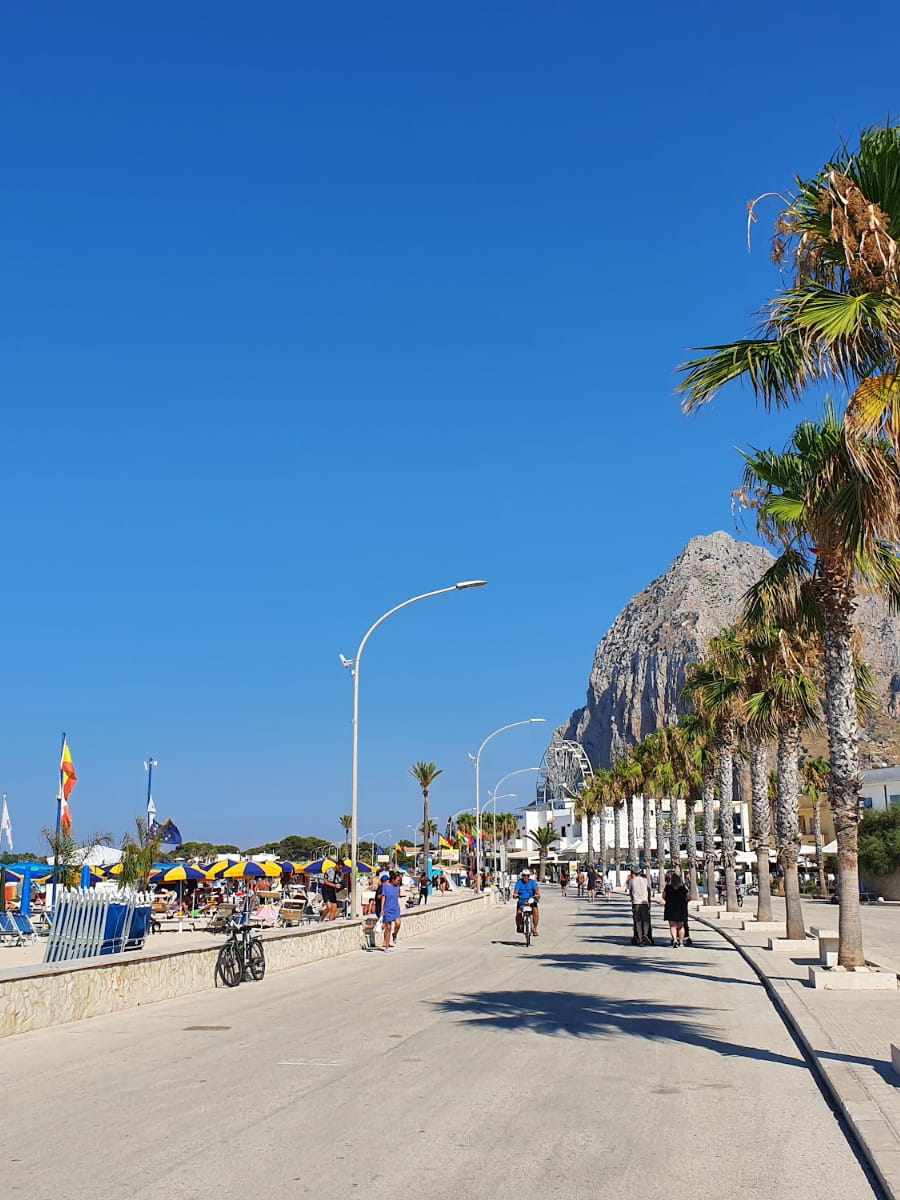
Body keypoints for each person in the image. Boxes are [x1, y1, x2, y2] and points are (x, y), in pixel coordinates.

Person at [627, 865, 652, 945]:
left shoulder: (632, 881)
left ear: (633, 872)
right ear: (640, 872)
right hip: (644, 902)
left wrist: (632, 899)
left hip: (636, 902)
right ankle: (645, 933)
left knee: (638, 922)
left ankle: (640, 939)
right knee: (646, 921)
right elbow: (649, 890)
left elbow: (630, 892)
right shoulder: (645, 880)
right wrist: (648, 899)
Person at [663, 871, 689, 947]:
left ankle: (674, 939)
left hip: (671, 908)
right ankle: (681, 942)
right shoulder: (683, 887)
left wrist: (668, 900)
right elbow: (689, 897)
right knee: (681, 926)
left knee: (672, 926)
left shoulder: (668, 887)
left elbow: (663, 896)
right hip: (681, 908)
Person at [514, 868, 540, 937]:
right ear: (522, 876)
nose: (526, 877)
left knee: (535, 912)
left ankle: (534, 929)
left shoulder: (533, 882)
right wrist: (515, 895)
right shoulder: (519, 883)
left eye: (527, 875)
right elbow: (515, 892)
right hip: (522, 901)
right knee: (519, 913)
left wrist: (537, 896)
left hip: (531, 900)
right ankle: (520, 925)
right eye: (524, 875)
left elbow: (536, 891)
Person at [380, 870, 403, 949]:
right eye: (397, 880)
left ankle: (395, 934)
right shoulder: (385, 886)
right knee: (388, 928)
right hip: (387, 908)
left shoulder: (397, 887)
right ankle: (386, 945)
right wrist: (382, 909)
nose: (398, 882)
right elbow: (383, 897)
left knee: (398, 923)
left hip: (395, 908)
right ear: (393, 880)